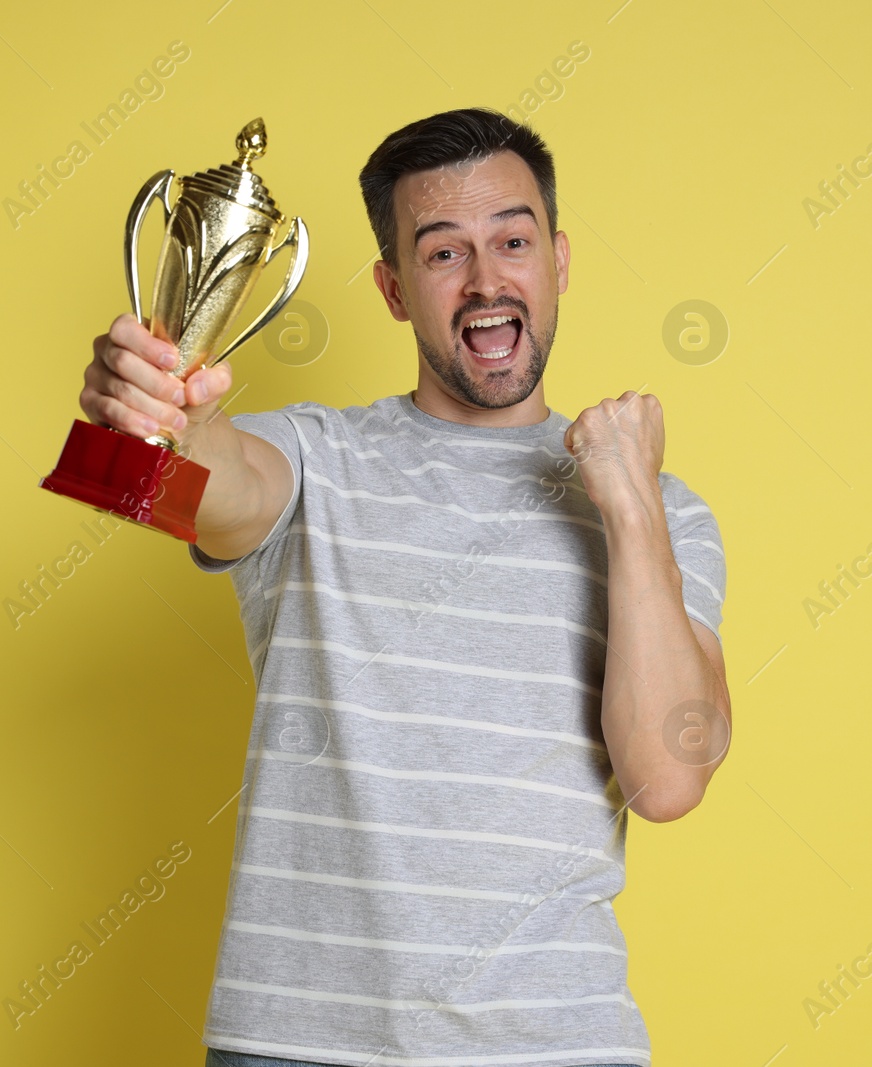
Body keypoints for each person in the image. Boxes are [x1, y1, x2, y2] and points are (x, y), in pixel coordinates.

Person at [79, 107, 731, 1067]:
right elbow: (209, 483)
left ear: (556, 260)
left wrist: (628, 512)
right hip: (297, 1043)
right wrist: (152, 418)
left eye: (512, 242)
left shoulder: (664, 514)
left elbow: (669, 776)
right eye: (441, 254)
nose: (485, 281)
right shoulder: (314, 460)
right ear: (392, 287)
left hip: (553, 1046)